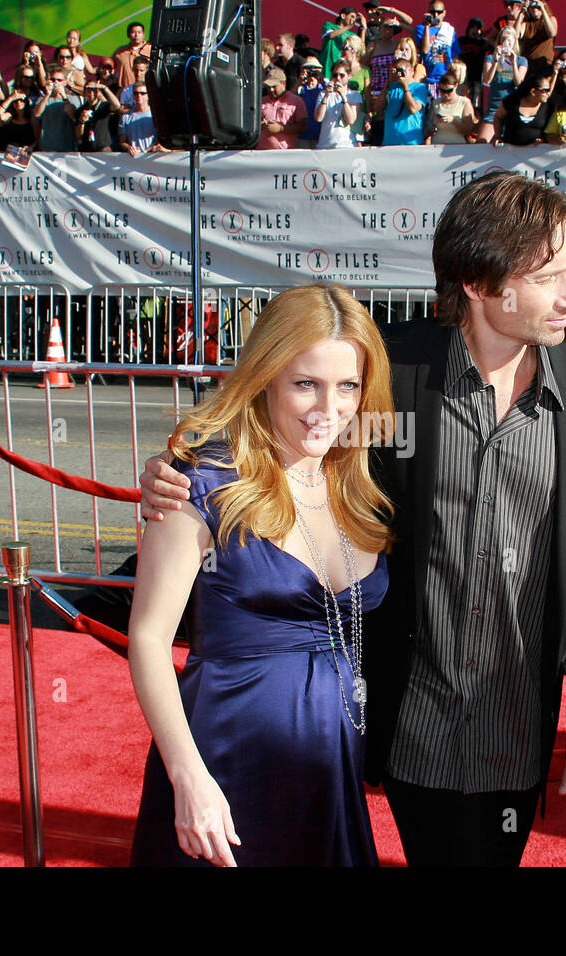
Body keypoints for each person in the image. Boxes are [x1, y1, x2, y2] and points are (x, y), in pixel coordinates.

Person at [141, 172, 566, 867]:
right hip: (404, 720)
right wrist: (177, 469)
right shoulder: (389, 373)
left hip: (516, 721)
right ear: (479, 280)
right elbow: (282, 424)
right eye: (548, 276)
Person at [128, 284, 395, 868]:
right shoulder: (201, 482)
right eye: (306, 384)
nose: (329, 408)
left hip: (329, 765)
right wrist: (188, 779)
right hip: (223, 760)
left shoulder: (357, 487)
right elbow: (148, 640)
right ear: (266, 375)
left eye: (348, 386)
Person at [478, 25, 528, 141]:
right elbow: (487, 80)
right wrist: (496, 60)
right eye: (504, 40)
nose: (507, 43)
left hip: (512, 108)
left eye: (509, 40)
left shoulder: (521, 60)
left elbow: (518, 83)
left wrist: (514, 62)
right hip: (494, 108)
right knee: (482, 142)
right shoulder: (490, 58)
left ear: (514, 42)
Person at [492, 68, 554, 144]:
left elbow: (551, 131)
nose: (548, 93)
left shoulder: (549, 107)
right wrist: (498, 135)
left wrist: (544, 139)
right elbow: (498, 117)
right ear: (533, 91)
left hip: (536, 153)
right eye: (545, 90)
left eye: (549, 90)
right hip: (509, 151)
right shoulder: (511, 102)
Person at [317, 63, 366, 147]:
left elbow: (350, 120)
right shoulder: (323, 94)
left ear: (349, 76)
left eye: (342, 75)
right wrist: (326, 96)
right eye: (335, 75)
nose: (338, 78)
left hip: (346, 144)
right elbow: (318, 118)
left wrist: (344, 97)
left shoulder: (354, 95)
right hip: (325, 144)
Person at [259, 68, 308, 149]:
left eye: (274, 86)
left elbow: (302, 127)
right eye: (268, 87)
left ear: (283, 84)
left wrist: (281, 129)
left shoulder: (296, 101)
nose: (271, 89)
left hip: (285, 153)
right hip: (262, 152)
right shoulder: (261, 101)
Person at [414, 1, 459, 89]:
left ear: (444, 13)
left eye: (439, 12)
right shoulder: (421, 29)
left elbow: (455, 55)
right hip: (429, 78)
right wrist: (427, 26)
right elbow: (425, 50)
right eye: (432, 12)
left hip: (446, 78)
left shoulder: (449, 30)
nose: (436, 15)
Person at [383, 59, 428, 144]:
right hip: (390, 142)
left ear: (411, 71)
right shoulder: (392, 86)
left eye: (401, 70)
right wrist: (388, 82)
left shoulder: (419, 87)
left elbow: (413, 109)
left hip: (410, 142)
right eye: (396, 71)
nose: (399, 74)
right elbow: (378, 108)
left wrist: (405, 87)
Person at [425, 73, 476, 142]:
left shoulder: (464, 102)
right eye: (442, 91)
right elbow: (428, 130)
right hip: (437, 144)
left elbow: (469, 130)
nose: (445, 94)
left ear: (456, 86)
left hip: (458, 146)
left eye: (449, 91)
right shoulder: (435, 103)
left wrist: (453, 121)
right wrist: (435, 123)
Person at [322, 7, 364, 76]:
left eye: (355, 18)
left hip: (341, 71)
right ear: (343, 16)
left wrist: (364, 28)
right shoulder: (329, 25)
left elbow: (361, 48)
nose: (353, 20)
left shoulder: (352, 35)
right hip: (327, 68)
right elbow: (330, 35)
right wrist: (348, 27)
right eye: (352, 16)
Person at [517, 0, 558, 68]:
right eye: (532, 7)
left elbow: (552, 33)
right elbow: (516, 35)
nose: (535, 9)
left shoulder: (551, 19)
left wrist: (543, 9)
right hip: (529, 63)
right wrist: (521, 14)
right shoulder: (526, 24)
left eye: (537, 7)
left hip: (546, 63)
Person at [118, 84, 157, 155]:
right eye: (136, 93)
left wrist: (148, 150)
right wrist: (130, 148)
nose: (139, 96)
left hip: (152, 157)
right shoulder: (125, 117)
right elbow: (122, 142)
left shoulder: (155, 115)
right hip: (133, 159)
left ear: (148, 95)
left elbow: (160, 140)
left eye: (142, 93)